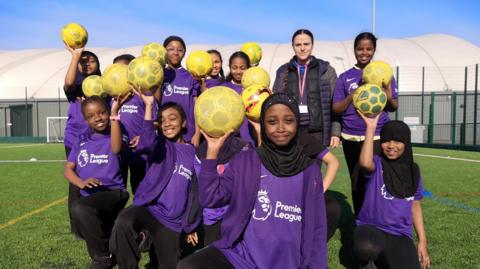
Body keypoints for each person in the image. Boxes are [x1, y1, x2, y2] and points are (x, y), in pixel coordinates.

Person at [178, 93, 339, 269]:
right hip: (243, 256)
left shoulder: (309, 170)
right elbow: (210, 198)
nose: (280, 127)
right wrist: (212, 153)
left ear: (297, 123)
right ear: (263, 124)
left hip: (286, 260)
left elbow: (316, 228)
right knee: (188, 266)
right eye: (272, 121)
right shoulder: (246, 160)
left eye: (288, 120)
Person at [110, 89, 200, 269]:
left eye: (172, 119)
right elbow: (146, 142)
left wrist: (190, 225)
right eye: (162, 120)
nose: (167, 124)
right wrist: (150, 106)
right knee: (124, 221)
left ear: (183, 123)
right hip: (149, 210)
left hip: (172, 222)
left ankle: (148, 240)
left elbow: (195, 192)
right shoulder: (159, 144)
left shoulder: (194, 154)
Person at [332, 32, 398, 215]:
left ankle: (379, 218)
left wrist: (389, 96)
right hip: (351, 136)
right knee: (357, 181)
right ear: (354, 50)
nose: (364, 52)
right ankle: (360, 221)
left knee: (378, 178)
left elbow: (393, 106)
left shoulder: (385, 74)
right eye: (360, 49)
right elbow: (336, 109)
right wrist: (353, 95)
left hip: (377, 134)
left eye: (369, 49)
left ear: (374, 50)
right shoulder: (345, 77)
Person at [353, 115, 430, 269]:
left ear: (406, 143)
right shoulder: (377, 163)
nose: (391, 145)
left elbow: (415, 205)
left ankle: (384, 258)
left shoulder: (413, 171)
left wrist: (422, 240)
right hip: (371, 228)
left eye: (397, 141)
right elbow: (365, 163)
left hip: (400, 233)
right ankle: (367, 262)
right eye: (386, 140)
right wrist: (371, 127)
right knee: (367, 247)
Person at [64, 96, 129, 269]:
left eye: (102, 112)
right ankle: (104, 256)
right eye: (92, 115)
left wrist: (115, 115)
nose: (98, 118)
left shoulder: (117, 133)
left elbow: (116, 148)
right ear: (86, 119)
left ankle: (103, 256)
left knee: (78, 208)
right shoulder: (82, 140)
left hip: (112, 192)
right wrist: (81, 182)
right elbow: (68, 169)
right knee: (82, 214)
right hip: (90, 199)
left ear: (108, 113)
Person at [272, 29, 340, 149]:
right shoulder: (283, 71)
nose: (302, 48)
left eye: (306, 44)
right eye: (298, 45)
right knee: (291, 167)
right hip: (290, 131)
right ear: (293, 46)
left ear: (312, 45)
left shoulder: (326, 70)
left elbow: (335, 104)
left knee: (314, 168)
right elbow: (276, 103)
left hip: (317, 131)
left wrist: (335, 132)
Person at [63, 43, 102, 235]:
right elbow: (69, 83)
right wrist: (75, 56)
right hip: (75, 141)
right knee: (76, 184)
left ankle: (97, 219)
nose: (87, 64)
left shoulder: (105, 85)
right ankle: (78, 226)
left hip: (99, 141)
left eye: (91, 60)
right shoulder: (76, 87)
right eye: (83, 62)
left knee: (99, 179)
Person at [158, 35, 201, 146]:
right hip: (164, 132)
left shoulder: (191, 76)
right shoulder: (158, 75)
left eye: (180, 50)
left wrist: (197, 133)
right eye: (171, 49)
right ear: (164, 52)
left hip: (188, 135)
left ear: (184, 53)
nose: (176, 53)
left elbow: (197, 107)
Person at [222, 51, 256, 145]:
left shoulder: (254, 89)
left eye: (242, 68)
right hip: (228, 140)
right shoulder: (223, 88)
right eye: (234, 68)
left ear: (248, 68)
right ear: (230, 67)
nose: (238, 72)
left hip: (249, 137)